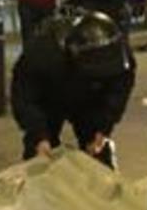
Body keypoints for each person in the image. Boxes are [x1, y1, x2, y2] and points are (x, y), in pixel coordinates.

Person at [12, 11, 136, 169]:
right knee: (39, 156)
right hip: (49, 97)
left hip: (90, 99)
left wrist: (103, 128)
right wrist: (39, 136)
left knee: (98, 151)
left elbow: (118, 92)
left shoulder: (120, 56)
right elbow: (25, 99)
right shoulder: (41, 55)